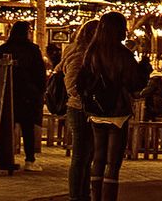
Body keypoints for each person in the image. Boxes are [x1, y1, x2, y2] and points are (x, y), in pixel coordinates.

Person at [77, 12, 140, 201]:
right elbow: (134, 84)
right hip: (118, 113)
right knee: (113, 162)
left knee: (98, 158)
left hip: (96, 111)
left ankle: (95, 197)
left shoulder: (92, 52)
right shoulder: (123, 54)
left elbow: (81, 82)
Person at [0, 20, 49, 170]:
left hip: (8, 92)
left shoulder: (3, 48)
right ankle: (29, 160)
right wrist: (40, 90)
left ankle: (3, 158)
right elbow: (39, 72)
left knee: (7, 126)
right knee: (28, 127)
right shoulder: (32, 50)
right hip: (27, 94)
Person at [64, 19, 99, 201]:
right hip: (79, 109)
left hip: (88, 108)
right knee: (80, 155)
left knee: (88, 155)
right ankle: (76, 195)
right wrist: (86, 98)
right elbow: (71, 85)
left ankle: (83, 193)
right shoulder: (79, 55)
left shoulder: (91, 55)